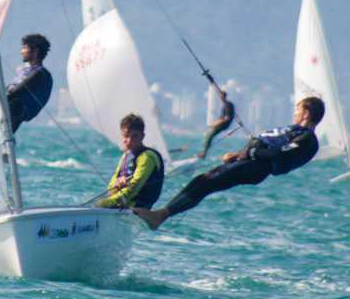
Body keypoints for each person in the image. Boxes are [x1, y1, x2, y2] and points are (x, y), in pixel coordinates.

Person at [134, 96, 324, 231]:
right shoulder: (293, 129)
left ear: (306, 113)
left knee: (207, 182)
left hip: (257, 168)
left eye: (298, 109)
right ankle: (159, 213)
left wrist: (249, 153)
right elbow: (264, 146)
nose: (294, 112)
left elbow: (279, 156)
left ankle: (160, 216)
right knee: (202, 180)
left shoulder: (307, 139)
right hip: (248, 162)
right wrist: (238, 155)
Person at [95, 114, 165, 210]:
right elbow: (110, 190)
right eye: (126, 135)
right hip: (120, 206)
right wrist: (117, 185)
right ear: (122, 135)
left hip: (138, 209)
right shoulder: (125, 156)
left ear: (142, 136)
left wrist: (102, 204)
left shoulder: (147, 157)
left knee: (99, 204)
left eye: (135, 136)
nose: (130, 140)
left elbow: (134, 187)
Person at [5, 33, 53, 133]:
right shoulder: (26, 70)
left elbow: (14, 92)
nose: (21, 52)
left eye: (24, 48)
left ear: (35, 51)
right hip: (12, 110)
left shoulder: (39, 73)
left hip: (17, 110)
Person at [199, 84, 235, 159]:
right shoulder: (226, 104)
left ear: (223, 96)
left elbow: (226, 118)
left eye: (221, 96)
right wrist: (214, 124)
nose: (220, 97)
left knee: (209, 136)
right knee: (208, 135)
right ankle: (203, 152)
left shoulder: (227, 105)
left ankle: (204, 153)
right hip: (223, 123)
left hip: (224, 124)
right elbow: (222, 117)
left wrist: (216, 124)